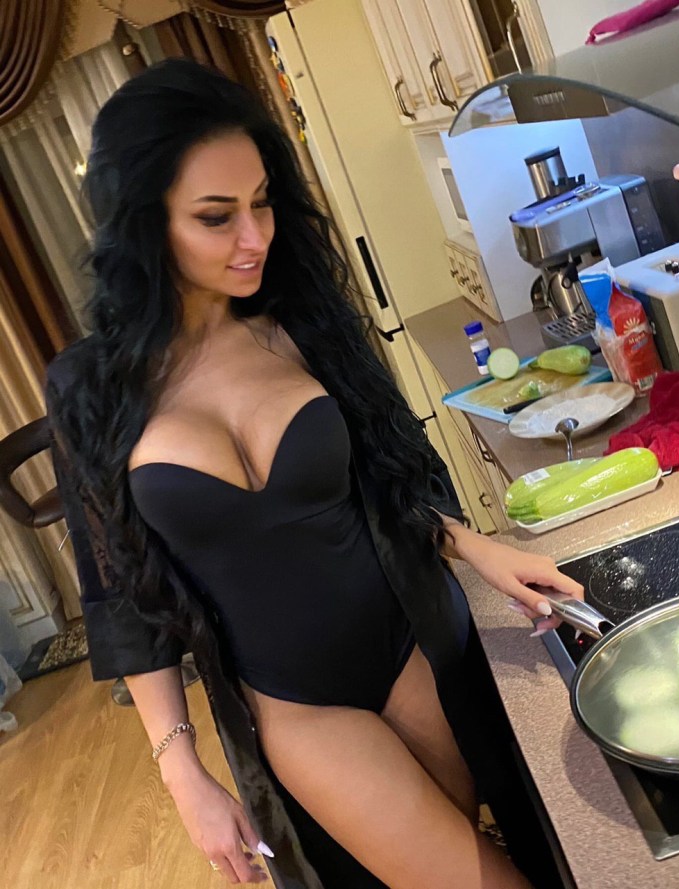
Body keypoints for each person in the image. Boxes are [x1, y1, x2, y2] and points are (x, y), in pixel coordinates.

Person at [45, 58, 583, 888]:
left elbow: (390, 473)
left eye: (261, 202)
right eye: (216, 216)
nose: (254, 237)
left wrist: (477, 546)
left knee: (543, 853)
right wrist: (181, 770)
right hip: (296, 704)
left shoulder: (304, 319)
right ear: (143, 224)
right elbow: (124, 598)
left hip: (414, 643)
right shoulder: (90, 389)